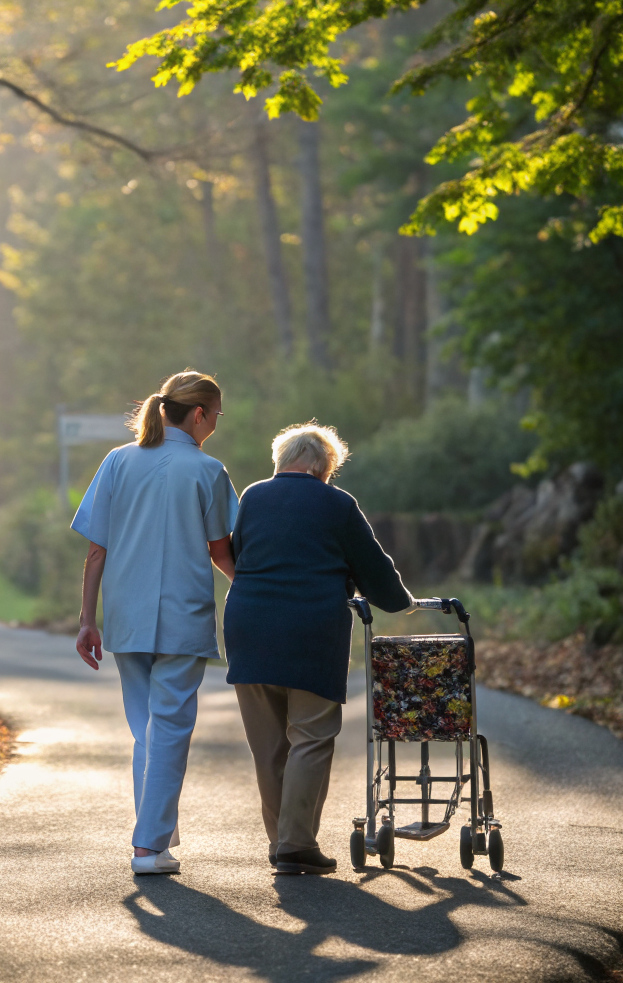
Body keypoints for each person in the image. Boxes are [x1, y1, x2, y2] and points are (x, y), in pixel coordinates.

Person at [223, 422, 414, 875]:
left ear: (283, 461)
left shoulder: (252, 496)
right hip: (310, 631)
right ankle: (296, 843)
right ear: (320, 465)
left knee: (267, 747)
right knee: (310, 737)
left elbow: (241, 552)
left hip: (248, 628)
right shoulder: (336, 503)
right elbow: (373, 567)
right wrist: (399, 602)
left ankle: (283, 842)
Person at [71, 370, 240, 875]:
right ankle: (147, 847)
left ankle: (158, 836)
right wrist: (254, 586)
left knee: (147, 729)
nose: (215, 425)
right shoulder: (208, 470)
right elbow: (220, 551)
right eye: (216, 416)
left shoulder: (117, 462)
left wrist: (87, 619)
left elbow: (96, 550)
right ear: (198, 415)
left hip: (126, 614)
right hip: (182, 617)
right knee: (168, 729)